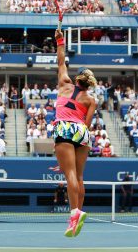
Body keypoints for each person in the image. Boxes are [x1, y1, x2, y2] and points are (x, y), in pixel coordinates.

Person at [52, 30, 97, 237]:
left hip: (64, 128)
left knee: (69, 174)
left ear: (76, 78)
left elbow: (61, 61)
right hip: (81, 132)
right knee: (79, 176)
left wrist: (60, 40)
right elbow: (86, 125)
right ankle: (79, 211)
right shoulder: (91, 100)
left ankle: (74, 215)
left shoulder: (64, 84)